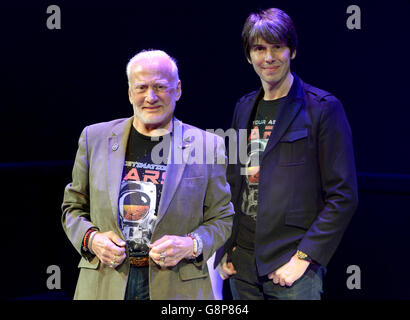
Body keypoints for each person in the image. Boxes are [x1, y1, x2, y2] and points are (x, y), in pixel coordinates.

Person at [61, 49, 234, 300]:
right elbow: (72, 208)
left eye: (160, 87)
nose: (150, 97)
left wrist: (191, 245)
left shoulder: (207, 146)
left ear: (178, 90)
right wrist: (91, 239)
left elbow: (222, 217)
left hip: (177, 287)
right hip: (104, 283)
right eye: (141, 88)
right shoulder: (94, 138)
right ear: (130, 93)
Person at [215, 8, 358, 300]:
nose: (268, 57)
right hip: (241, 263)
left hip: (291, 263)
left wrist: (304, 258)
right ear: (249, 55)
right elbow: (233, 182)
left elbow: (343, 196)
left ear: (291, 51)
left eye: (277, 47)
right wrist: (225, 248)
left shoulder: (323, 108)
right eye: (259, 49)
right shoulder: (243, 106)